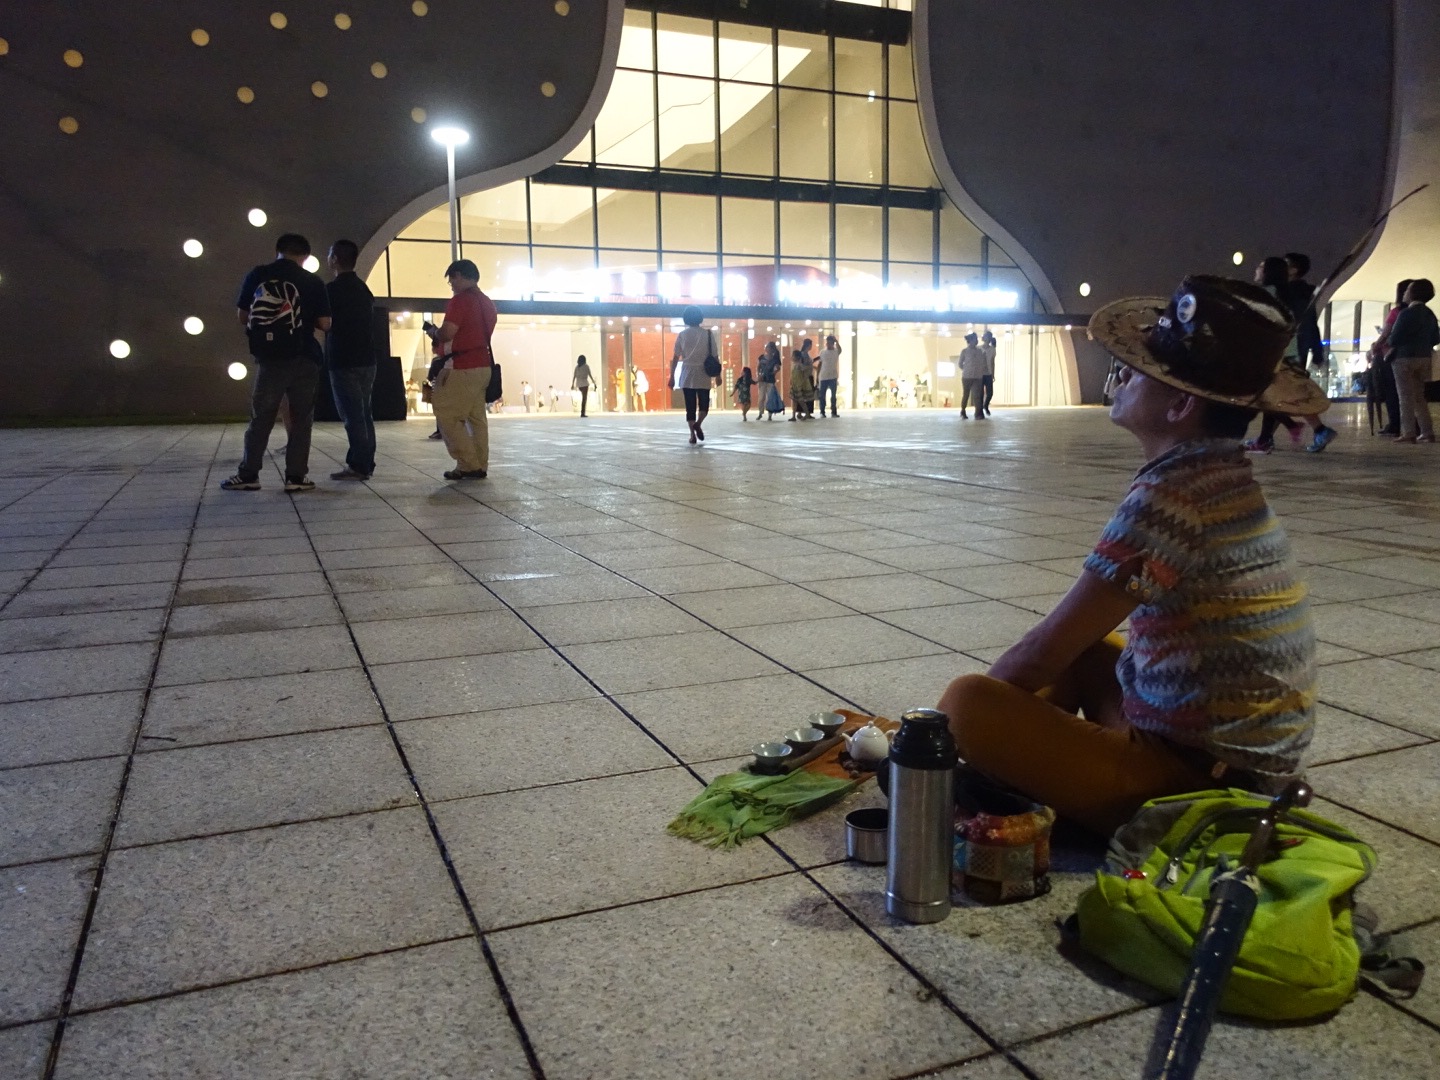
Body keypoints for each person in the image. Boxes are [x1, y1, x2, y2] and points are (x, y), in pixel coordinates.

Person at [936, 275, 1322, 836]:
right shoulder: (1215, 474)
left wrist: (945, 735)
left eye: (1141, 372)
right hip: (1225, 753)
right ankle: (1022, 777)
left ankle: (1014, 778)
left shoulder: (1173, 498)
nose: (1122, 375)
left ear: (1180, 406)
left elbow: (1040, 653)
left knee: (966, 704)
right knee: (1089, 654)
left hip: (1204, 786)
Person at [222, 233, 332, 492]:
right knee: (301, 418)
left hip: (270, 359)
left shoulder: (258, 275)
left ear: (277, 251)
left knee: (261, 416)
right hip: (305, 357)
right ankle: (296, 477)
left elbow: (242, 316)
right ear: (305, 257)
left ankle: (249, 474)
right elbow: (325, 323)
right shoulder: (312, 281)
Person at [1242, 257, 1335, 453]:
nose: (1257, 269)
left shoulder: (1268, 295)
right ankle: (1313, 429)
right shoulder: (1289, 295)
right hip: (1289, 352)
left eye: (1260, 266)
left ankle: (1284, 433)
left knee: (1268, 396)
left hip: (1274, 354)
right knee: (1287, 395)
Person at [426, 258, 497, 481]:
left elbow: (448, 332)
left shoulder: (461, 301)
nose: (452, 285)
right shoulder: (487, 302)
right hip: (483, 366)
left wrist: (434, 333)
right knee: (476, 419)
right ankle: (479, 464)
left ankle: (468, 464)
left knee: (446, 414)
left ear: (459, 275)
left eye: (452, 280)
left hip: (461, 366)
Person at [324, 239, 377, 481]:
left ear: (335, 259)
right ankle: (366, 461)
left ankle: (359, 465)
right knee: (364, 412)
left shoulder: (331, 290)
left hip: (343, 359)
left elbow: (324, 323)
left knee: (352, 415)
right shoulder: (363, 289)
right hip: (367, 359)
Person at [1387, 277, 1439, 443]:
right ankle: (1427, 431)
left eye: (1408, 289)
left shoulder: (1406, 313)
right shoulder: (1430, 313)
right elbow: (1436, 338)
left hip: (1404, 358)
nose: (1405, 293)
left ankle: (1408, 432)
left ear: (1413, 294)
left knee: (1405, 396)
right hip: (1424, 357)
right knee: (1419, 396)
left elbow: (1394, 338)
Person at [1369, 278, 1412, 436]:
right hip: (1414, 356)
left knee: (1392, 391)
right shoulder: (1424, 313)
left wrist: (1376, 345)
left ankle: (1395, 424)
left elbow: (1387, 333)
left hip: (1391, 356)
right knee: (1412, 393)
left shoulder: (1397, 312)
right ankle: (1413, 425)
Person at [669, 305, 716, 444]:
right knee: (704, 405)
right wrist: (718, 375)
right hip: (703, 373)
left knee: (690, 406)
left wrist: (672, 376)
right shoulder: (708, 334)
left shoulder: (682, 335)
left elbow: (676, 357)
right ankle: (699, 424)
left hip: (687, 373)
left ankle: (692, 435)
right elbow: (714, 355)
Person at [958, 332, 986, 418]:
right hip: (966, 377)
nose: (976, 341)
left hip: (977, 377)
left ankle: (978, 413)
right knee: (966, 395)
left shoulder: (980, 351)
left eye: (977, 339)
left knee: (977, 395)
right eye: (975, 339)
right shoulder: (964, 351)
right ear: (970, 341)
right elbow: (960, 364)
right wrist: (966, 369)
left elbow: (982, 363)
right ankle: (963, 411)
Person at [817, 334, 842, 417]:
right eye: (827, 342)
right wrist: (817, 375)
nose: (828, 344)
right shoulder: (822, 352)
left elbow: (840, 350)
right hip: (823, 376)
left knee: (833, 396)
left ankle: (833, 412)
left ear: (833, 343)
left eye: (830, 342)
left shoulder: (836, 351)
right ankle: (822, 412)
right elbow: (820, 364)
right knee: (822, 396)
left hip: (833, 376)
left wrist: (837, 341)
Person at [757, 341, 783, 419]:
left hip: (770, 380)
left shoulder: (775, 359)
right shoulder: (761, 357)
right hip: (762, 380)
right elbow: (758, 367)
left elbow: (778, 368)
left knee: (770, 398)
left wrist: (774, 371)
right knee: (761, 397)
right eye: (766, 347)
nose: (767, 348)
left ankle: (770, 414)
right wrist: (758, 375)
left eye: (768, 347)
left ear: (772, 349)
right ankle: (760, 412)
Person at [789, 347, 815, 420]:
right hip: (794, 385)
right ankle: (793, 416)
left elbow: (805, 369)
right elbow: (792, 375)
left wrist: (809, 365)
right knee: (794, 401)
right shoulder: (794, 365)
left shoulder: (799, 365)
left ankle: (807, 414)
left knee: (801, 401)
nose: (791, 357)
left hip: (798, 385)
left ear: (796, 357)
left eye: (792, 356)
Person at [980, 330, 997, 416]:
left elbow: (992, 362)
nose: (986, 338)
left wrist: (993, 374)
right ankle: (980, 411)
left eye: (988, 337)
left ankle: (985, 405)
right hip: (980, 374)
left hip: (989, 374)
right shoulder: (979, 348)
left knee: (990, 393)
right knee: (980, 393)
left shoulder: (992, 350)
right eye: (985, 336)